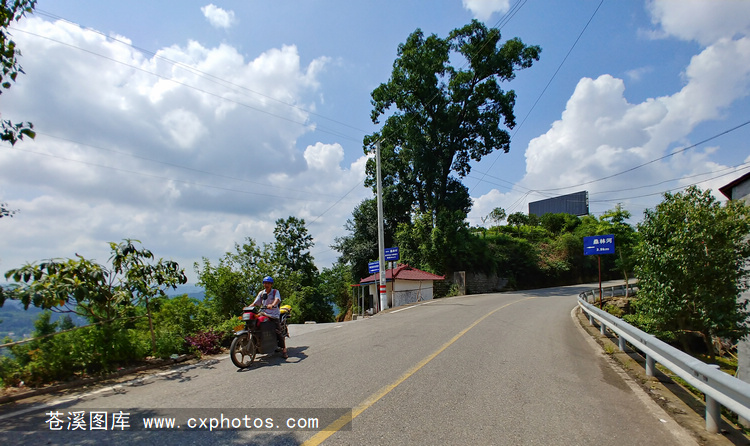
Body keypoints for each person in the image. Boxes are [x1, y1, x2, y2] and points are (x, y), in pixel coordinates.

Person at [252, 276, 288, 359]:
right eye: (265, 283)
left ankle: (284, 350)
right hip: (263, 313)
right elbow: (255, 303)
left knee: (278, 332)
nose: (266, 285)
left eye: (268, 283)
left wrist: (272, 305)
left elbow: (277, 299)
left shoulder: (275, 292)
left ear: (271, 284)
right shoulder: (261, 293)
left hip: (273, 315)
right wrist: (247, 308)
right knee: (254, 324)